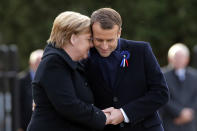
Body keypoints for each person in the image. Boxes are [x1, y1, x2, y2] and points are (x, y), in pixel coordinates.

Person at [85, 8, 169, 131]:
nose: (104, 46)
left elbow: (161, 93)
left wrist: (124, 113)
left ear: (119, 33)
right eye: (99, 40)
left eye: (110, 40)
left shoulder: (141, 50)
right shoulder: (84, 56)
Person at [27, 11, 109, 131]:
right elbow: (68, 105)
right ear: (73, 38)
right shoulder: (54, 62)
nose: (92, 44)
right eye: (88, 39)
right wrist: (104, 117)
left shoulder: (70, 63)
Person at [160, 43, 197, 131]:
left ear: (187, 59)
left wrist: (189, 113)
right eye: (176, 57)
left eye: (182, 57)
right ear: (169, 58)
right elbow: (161, 96)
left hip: (190, 124)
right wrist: (179, 112)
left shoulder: (195, 76)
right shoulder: (161, 75)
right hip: (170, 123)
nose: (179, 60)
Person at [17, 49, 43, 131]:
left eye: (41, 61)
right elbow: (17, 104)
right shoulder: (21, 80)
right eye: (37, 62)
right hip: (26, 125)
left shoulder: (48, 77)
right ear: (30, 63)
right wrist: (19, 126)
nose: (39, 64)